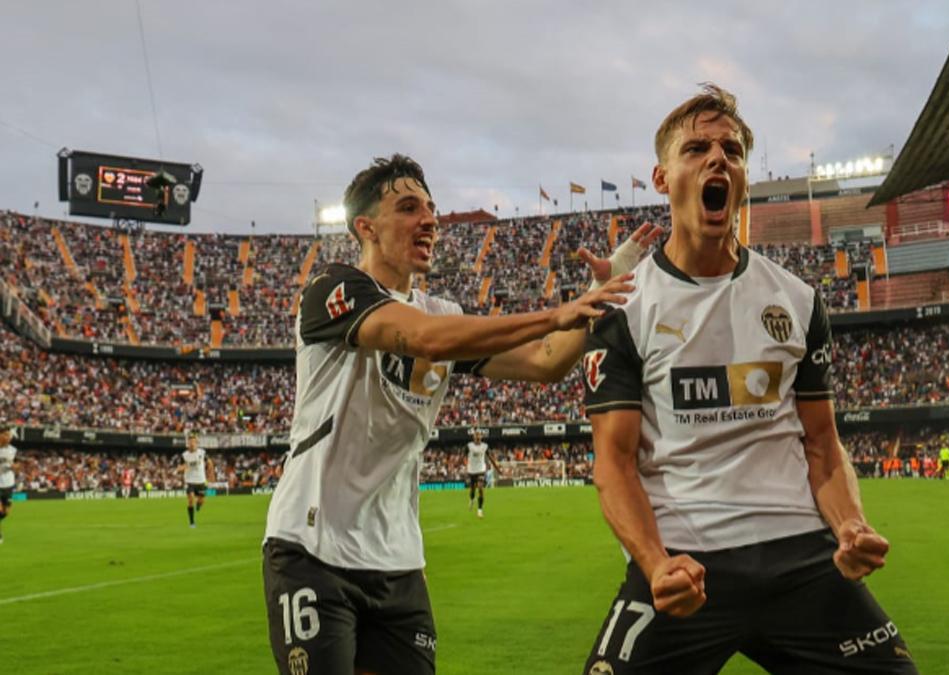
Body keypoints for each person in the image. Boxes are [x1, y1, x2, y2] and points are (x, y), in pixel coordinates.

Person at [261, 153, 658, 675]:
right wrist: (551, 313)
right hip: (312, 547)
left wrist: (597, 294)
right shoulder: (332, 289)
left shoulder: (441, 312)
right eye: (408, 208)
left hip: (398, 561)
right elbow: (424, 338)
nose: (429, 219)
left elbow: (546, 362)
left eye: (431, 208)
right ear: (365, 228)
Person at [580, 84, 915, 674]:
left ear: (742, 180)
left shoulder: (798, 299)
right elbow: (614, 464)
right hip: (687, 563)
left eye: (731, 150)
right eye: (697, 149)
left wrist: (850, 524)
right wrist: (656, 564)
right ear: (662, 179)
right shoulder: (624, 309)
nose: (718, 159)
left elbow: (823, 446)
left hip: (801, 559)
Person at [180, 433, 214, 527]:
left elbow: (209, 463)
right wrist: (181, 468)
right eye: (190, 441)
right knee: (191, 500)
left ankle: (198, 505)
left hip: (201, 481)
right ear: (188, 443)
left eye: (193, 441)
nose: (191, 443)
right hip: (190, 481)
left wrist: (210, 474)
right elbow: (181, 466)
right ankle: (192, 522)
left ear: (196, 443)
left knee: (201, 501)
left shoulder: (202, 453)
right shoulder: (184, 455)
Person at [465, 428, 499, 517]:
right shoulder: (469, 446)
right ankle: (472, 499)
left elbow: (490, 457)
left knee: (480, 488)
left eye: (479, 435)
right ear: (473, 437)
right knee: (472, 489)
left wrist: (497, 468)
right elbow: (463, 456)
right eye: (476, 435)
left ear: (481, 436)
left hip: (481, 469)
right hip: (472, 470)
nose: (478, 436)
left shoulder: (485, 446)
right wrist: (461, 465)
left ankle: (480, 510)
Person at [0, 427, 16, 543]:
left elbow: (17, 464)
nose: (8, 437)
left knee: (6, 512)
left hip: (8, 483)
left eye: (9, 435)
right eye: (6, 435)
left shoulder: (13, 450)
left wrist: (15, 466)